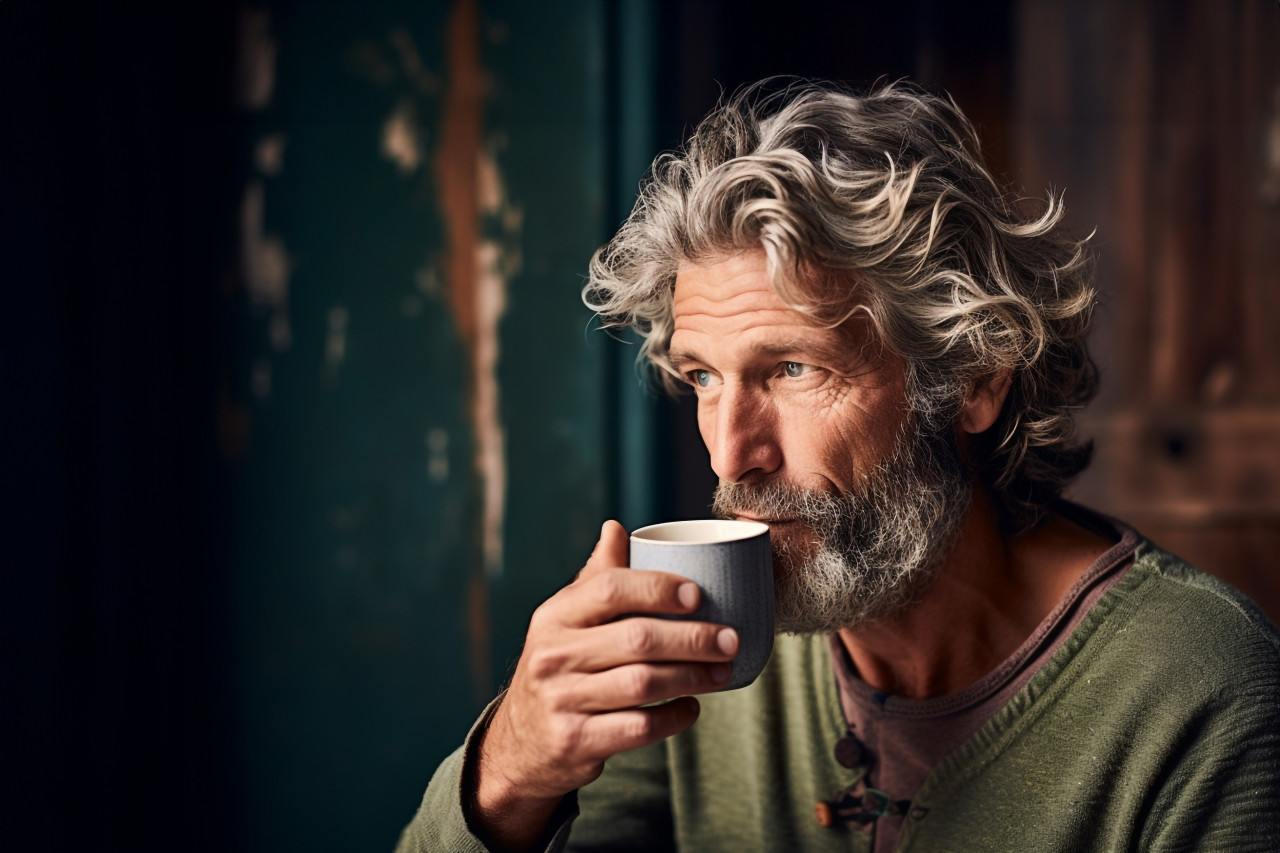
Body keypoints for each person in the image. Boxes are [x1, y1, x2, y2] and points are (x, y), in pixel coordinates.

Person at [396, 79, 1280, 852]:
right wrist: (511, 769)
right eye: (703, 377)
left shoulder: (1206, 698)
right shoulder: (705, 665)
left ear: (973, 378)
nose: (731, 451)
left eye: (793, 369)